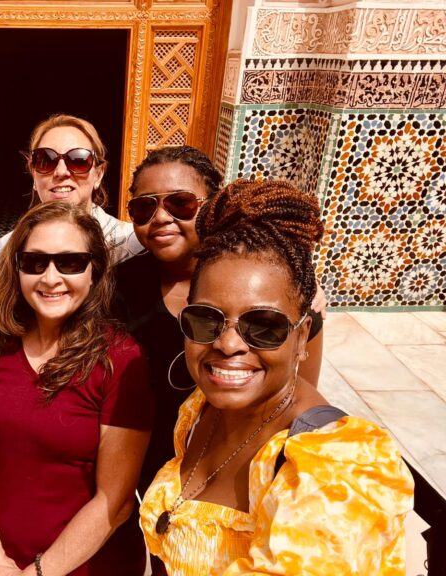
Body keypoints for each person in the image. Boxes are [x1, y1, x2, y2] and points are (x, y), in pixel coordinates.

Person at [139, 180, 414, 575]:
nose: (229, 344)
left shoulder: (336, 470)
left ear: (302, 336)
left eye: (263, 325)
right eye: (206, 319)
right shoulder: (201, 409)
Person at [115, 146, 326, 501]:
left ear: (211, 205)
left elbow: (297, 397)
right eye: (144, 207)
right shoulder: (120, 286)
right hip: (155, 466)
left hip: (243, 469)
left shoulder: (276, 290)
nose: (161, 217)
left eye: (180, 203)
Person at [0, 202, 153, 576]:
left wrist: (35, 574)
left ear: (94, 270)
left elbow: (114, 503)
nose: (50, 278)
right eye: (35, 262)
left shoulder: (119, 359)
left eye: (70, 262)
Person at [2, 113, 143, 262]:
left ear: (98, 174)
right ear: (33, 173)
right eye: (46, 160)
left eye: (78, 160)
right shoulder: (8, 249)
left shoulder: (132, 245)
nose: (61, 172)